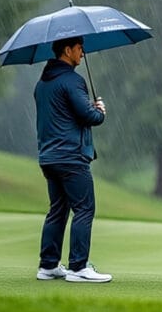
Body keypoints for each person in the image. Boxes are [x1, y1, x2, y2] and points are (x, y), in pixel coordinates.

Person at [34, 36, 111, 283]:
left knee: (57, 210)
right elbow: (88, 116)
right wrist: (99, 110)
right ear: (67, 50)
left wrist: (88, 108)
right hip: (71, 157)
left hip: (49, 157)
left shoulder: (42, 83)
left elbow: (66, 113)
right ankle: (78, 267)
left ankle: (48, 266)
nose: (83, 53)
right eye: (79, 48)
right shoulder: (73, 80)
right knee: (84, 209)